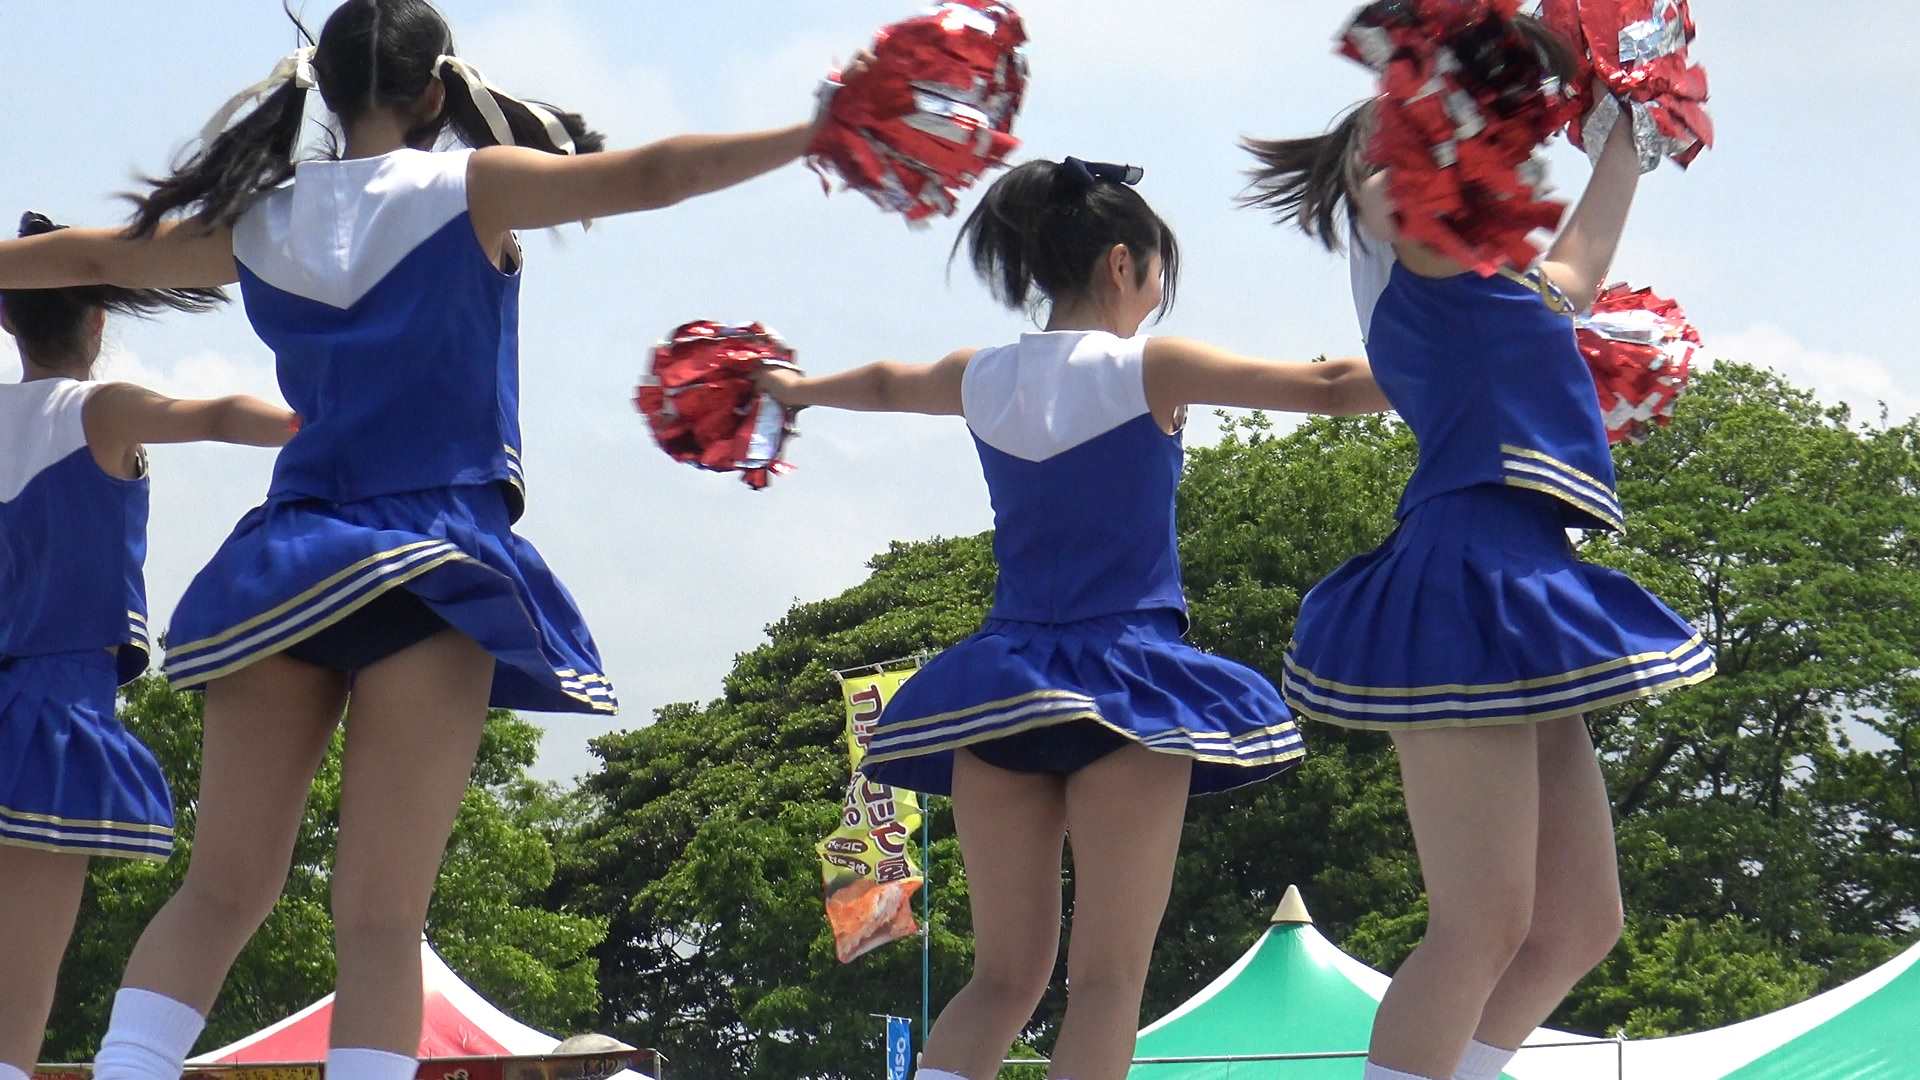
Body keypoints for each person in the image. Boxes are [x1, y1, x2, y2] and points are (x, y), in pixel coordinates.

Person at [0, 3, 855, 1079]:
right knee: (380, 913)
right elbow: (653, 175)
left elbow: (76, 256)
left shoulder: (260, 220)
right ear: (435, 91)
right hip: (429, 560)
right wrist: (811, 133)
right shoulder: (472, 184)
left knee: (218, 892)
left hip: (285, 568)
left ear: (322, 92)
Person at [759, 156, 1387, 1080]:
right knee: (1105, 985)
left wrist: (796, 391)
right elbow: (1332, 387)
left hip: (1001, 693)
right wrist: (1474, 357)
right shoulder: (1150, 367)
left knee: (1002, 979)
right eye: (1160, 273)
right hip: (1128, 689)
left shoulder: (985, 376)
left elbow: (891, 383)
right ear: (1123, 264)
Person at [1242, 34, 1718, 1080]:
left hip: (1525, 580)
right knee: (1481, 924)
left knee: (1578, 922)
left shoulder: (1493, 286)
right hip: (1463, 581)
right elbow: (1396, 188)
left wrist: (1630, 129)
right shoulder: (1413, 252)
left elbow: (1578, 274)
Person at [1, 211, 293, 1080]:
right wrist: (319, 421)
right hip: (54, 712)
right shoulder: (103, 409)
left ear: (8, 321)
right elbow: (218, 415)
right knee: (21, 988)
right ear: (98, 320)